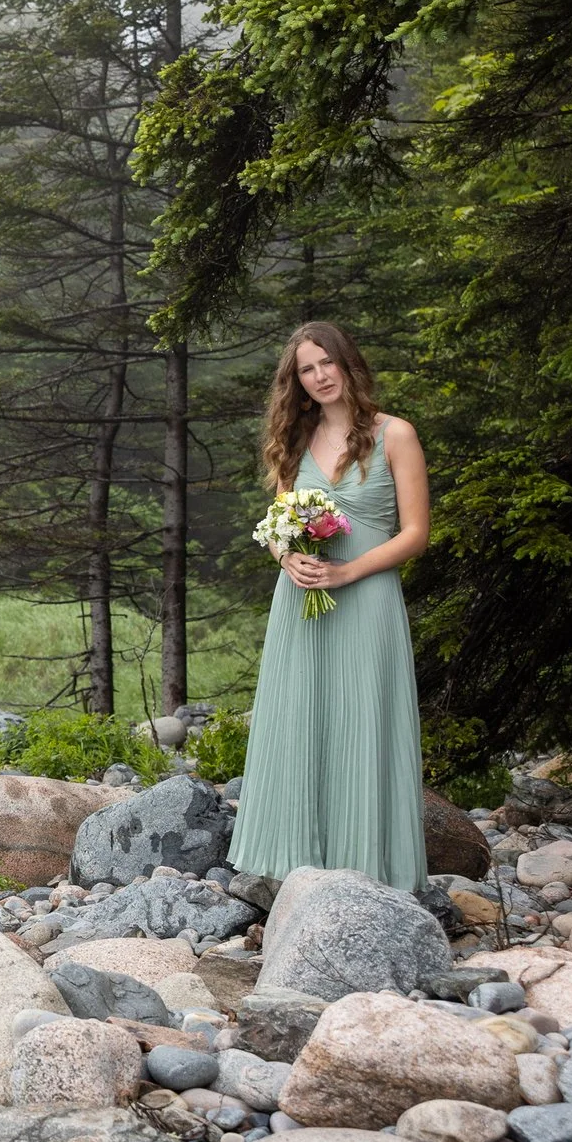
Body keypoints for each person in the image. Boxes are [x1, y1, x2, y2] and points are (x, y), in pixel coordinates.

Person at [230, 321, 430, 890]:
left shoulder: (395, 435)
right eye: (306, 369)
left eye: (327, 363)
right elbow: (277, 525)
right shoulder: (295, 440)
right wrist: (285, 556)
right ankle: (299, 871)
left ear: (348, 363)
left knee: (364, 721)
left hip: (367, 601)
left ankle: (373, 872)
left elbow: (415, 534)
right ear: (296, 381)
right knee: (304, 720)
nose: (319, 377)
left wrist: (346, 572)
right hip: (302, 605)